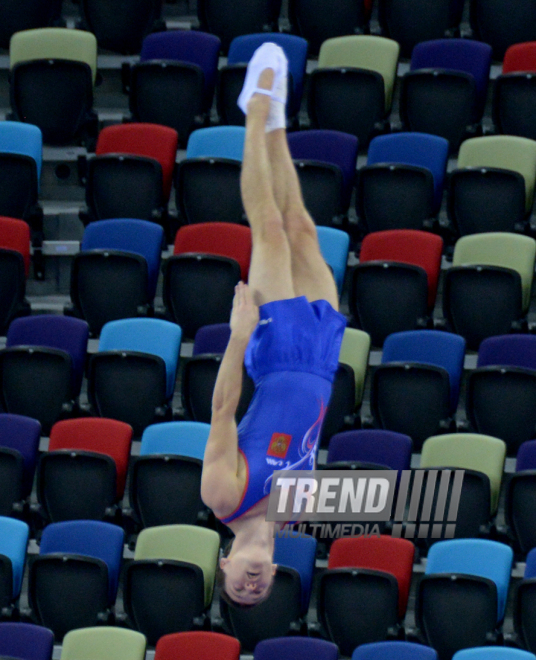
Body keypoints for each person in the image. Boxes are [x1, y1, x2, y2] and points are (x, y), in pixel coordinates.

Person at [200, 42, 347, 606]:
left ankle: (255, 107)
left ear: (226, 561)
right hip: (318, 360)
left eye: (236, 587)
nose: (251, 585)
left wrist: (239, 337)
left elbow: (223, 410)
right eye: (257, 593)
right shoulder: (297, 514)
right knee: (302, 228)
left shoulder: (222, 496)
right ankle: (279, 125)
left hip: (276, 354)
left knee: (268, 228)